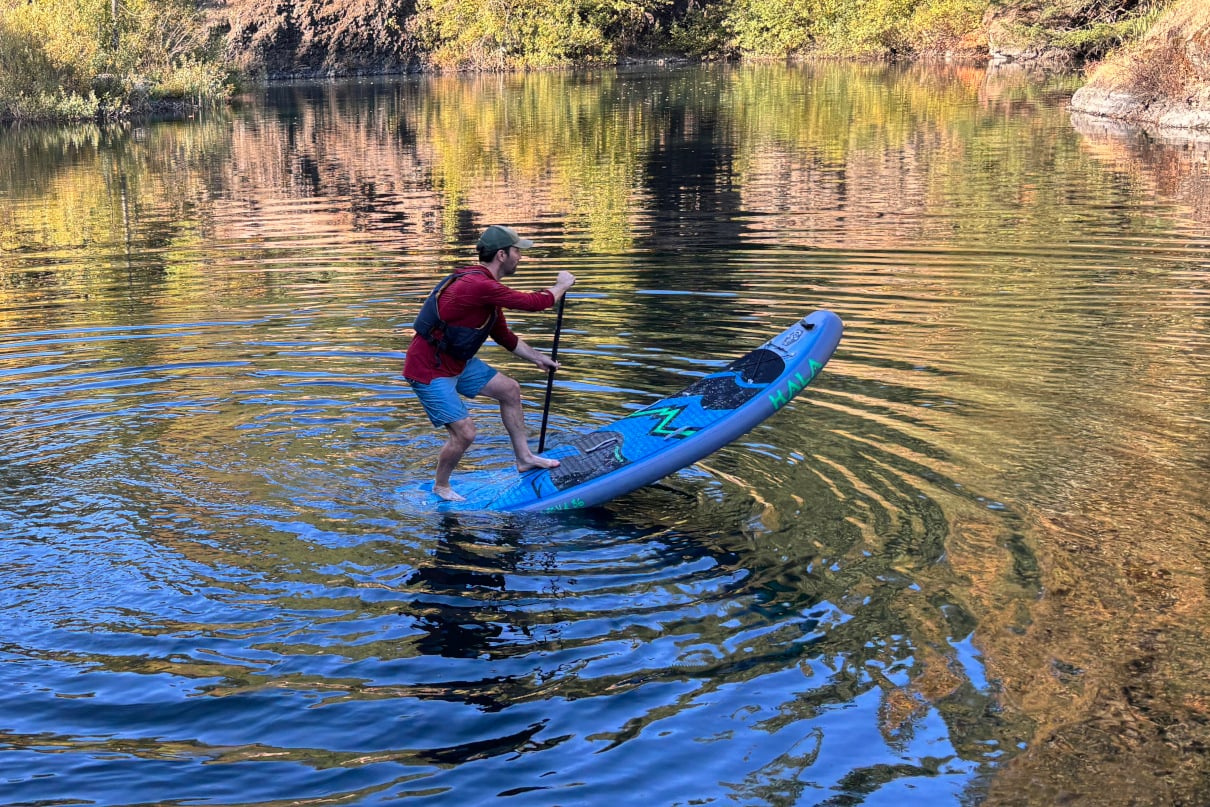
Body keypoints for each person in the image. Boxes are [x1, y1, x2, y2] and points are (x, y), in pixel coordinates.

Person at [405, 225, 576, 501]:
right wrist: (561, 286)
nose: (520, 257)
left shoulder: (486, 290)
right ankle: (441, 486)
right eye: (517, 251)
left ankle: (524, 458)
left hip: (457, 363)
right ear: (501, 255)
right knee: (465, 433)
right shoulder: (478, 286)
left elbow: (503, 336)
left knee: (509, 390)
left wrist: (537, 358)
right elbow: (532, 303)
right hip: (428, 369)